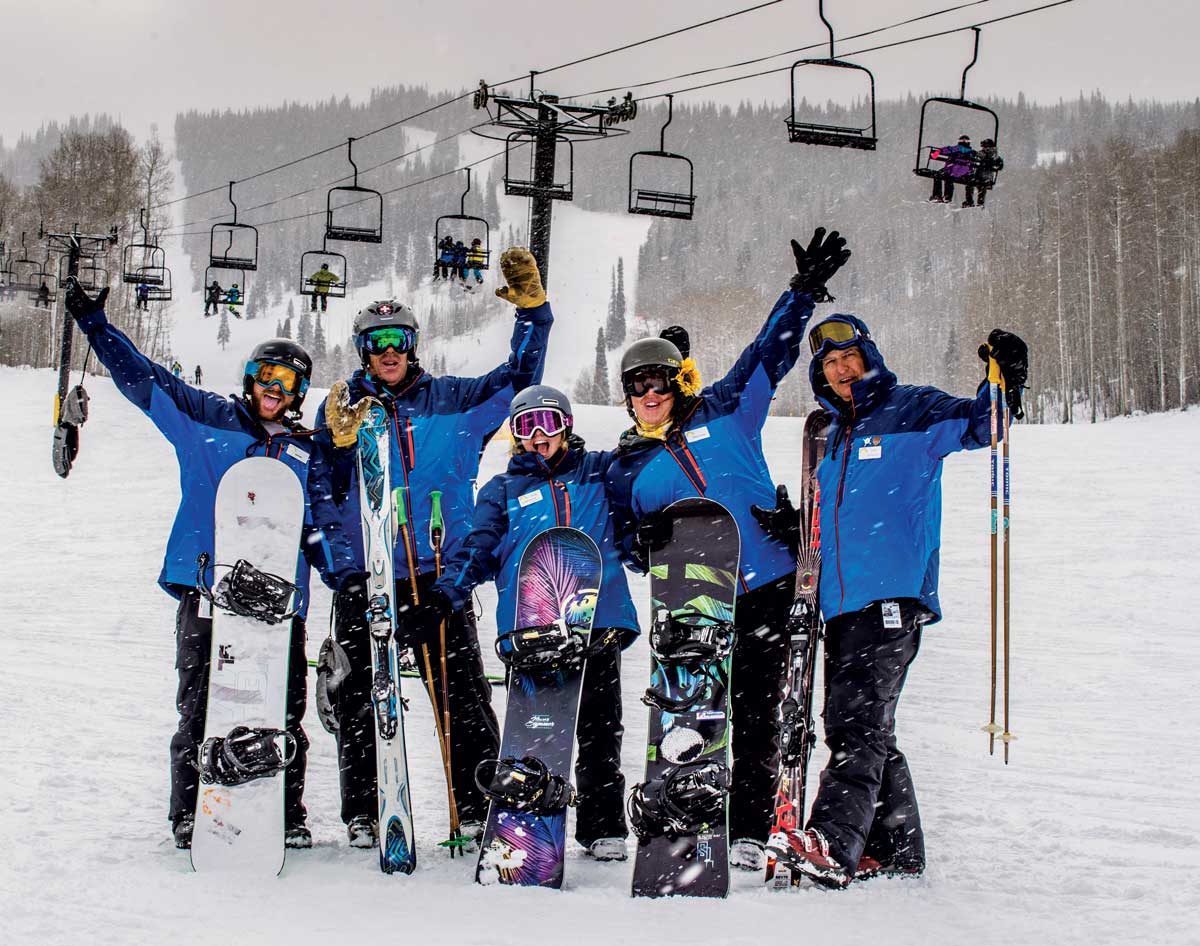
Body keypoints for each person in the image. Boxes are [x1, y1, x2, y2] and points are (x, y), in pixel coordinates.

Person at [61, 276, 358, 852]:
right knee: (201, 706)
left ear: (300, 390)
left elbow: (327, 517)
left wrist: (346, 576)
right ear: (251, 380)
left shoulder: (306, 448)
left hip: (277, 601)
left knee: (282, 706)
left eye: (289, 381)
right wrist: (96, 328)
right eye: (267, 377)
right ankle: (191, 810)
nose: (276, 389)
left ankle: (284, 811)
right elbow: (145, 380)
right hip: (209, 589)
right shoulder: (208, 420)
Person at [605, 227, 850, 872]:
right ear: (628, 398)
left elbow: (769, 352)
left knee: (760, 711)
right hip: (694, 605)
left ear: (677, 382)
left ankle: (749, 826)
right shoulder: (626, 467)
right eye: (637, 389)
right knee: (697, 721)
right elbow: (629, 550)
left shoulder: (728, 408)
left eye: (659, 383)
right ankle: (690, 823)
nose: (650, 396)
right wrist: (646, 545)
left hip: (769, 586)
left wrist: (801, 293)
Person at [763, 319, 1029, 889]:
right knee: (867, 724)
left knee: (855, 723)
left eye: (849, 357)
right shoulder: (834, 435)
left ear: (869, 356)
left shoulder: (911, 409)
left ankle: (833, 844)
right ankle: (896, 846)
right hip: (841, 604)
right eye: (830, 363)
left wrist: (1004, 382)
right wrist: (793, 530)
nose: (840, 369)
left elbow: (984, 425)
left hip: (889, 597)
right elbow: (834, 522)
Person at [314, 247, 554, 849]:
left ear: (413, 344)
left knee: (464, 699)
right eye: (376, 340)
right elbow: (323, 495)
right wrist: (343, 571)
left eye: (398, 337)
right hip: (367, 578)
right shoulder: (343, 412)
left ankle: (476, 805)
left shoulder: (455, 403)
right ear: (362, 349)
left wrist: (534, 314)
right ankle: (366, 810)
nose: (388, 349)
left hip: (437, 577)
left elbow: (520, 380)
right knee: (362, 701)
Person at [434, 385, 638, 861]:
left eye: (548, 422)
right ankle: (527, 818)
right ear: (516, 436)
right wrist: (448, 593)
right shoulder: (504, 490)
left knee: (600, 726)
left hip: (596, 618)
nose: (539, 435)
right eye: (526, 426)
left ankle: (601, 824)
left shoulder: (598, 471)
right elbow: (478, 548)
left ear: (567, 425)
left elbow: (643, 464)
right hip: (533, 624)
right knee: (539, 728)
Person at [929, 135, 976, 204]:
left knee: (938, 175)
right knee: (949, 178)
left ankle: (937, 195)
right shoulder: (972, 152)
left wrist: (938, 151)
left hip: (952, 169)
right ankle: (947, 197)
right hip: (964, 173)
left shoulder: (957, 148)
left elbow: (948, 150)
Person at [966, 138, 1004, 208]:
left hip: (986, 177)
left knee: (981, 185)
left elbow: (1000, 165)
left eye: (985, 146)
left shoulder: (994, 156)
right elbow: (976, 158)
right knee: (970, 184)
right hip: (979, 175)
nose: (983, 148)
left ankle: (977, 202)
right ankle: (971, 202)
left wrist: (991, 163)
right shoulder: (982, 154)